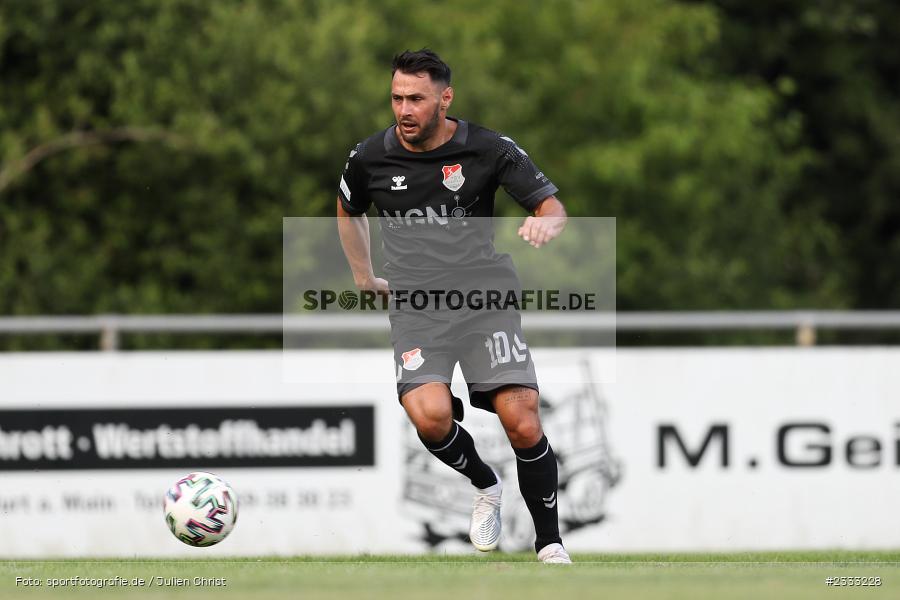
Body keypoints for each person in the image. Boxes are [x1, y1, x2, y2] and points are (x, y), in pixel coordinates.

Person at [336, 49, 570, 564]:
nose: (404, 109)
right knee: (430, 416)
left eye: (416, 98)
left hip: (486, 300)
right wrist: (363, 276)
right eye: (397, 97)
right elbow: (348, 206)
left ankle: (549, 543)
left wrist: (544, 223)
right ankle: (485, 484)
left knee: (524, 422)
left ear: (445, 98)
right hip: (418, 306)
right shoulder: (369, 157)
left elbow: (551, 207)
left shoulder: (488, 149)